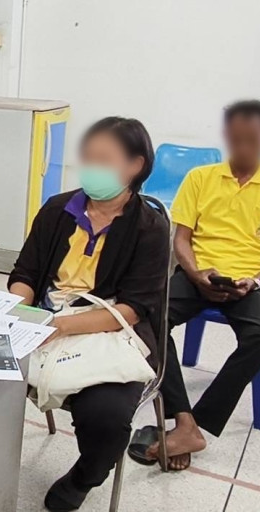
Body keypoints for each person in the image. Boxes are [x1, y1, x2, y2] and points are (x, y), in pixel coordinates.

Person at [8, 117, 169, 511]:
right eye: (89, 157)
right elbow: (25, 274)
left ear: (134, 165)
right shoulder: (57, 209)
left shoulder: (149, 227)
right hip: (46, 321)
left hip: (109, 332)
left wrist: (60, 326)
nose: (92, 167)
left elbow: (132, 309)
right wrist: (18, 308)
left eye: (104, 159)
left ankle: (84, 476)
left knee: (106, 417)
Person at [138, 100, 260, 471]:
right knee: (149, 318)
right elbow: (182, 239)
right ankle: (183, 421)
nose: (244, 146)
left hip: (249, 282)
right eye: (237, 138)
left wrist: (253, 281)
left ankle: (199, 422)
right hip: (198, 273)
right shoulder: (200, 178)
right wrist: (195, 274)